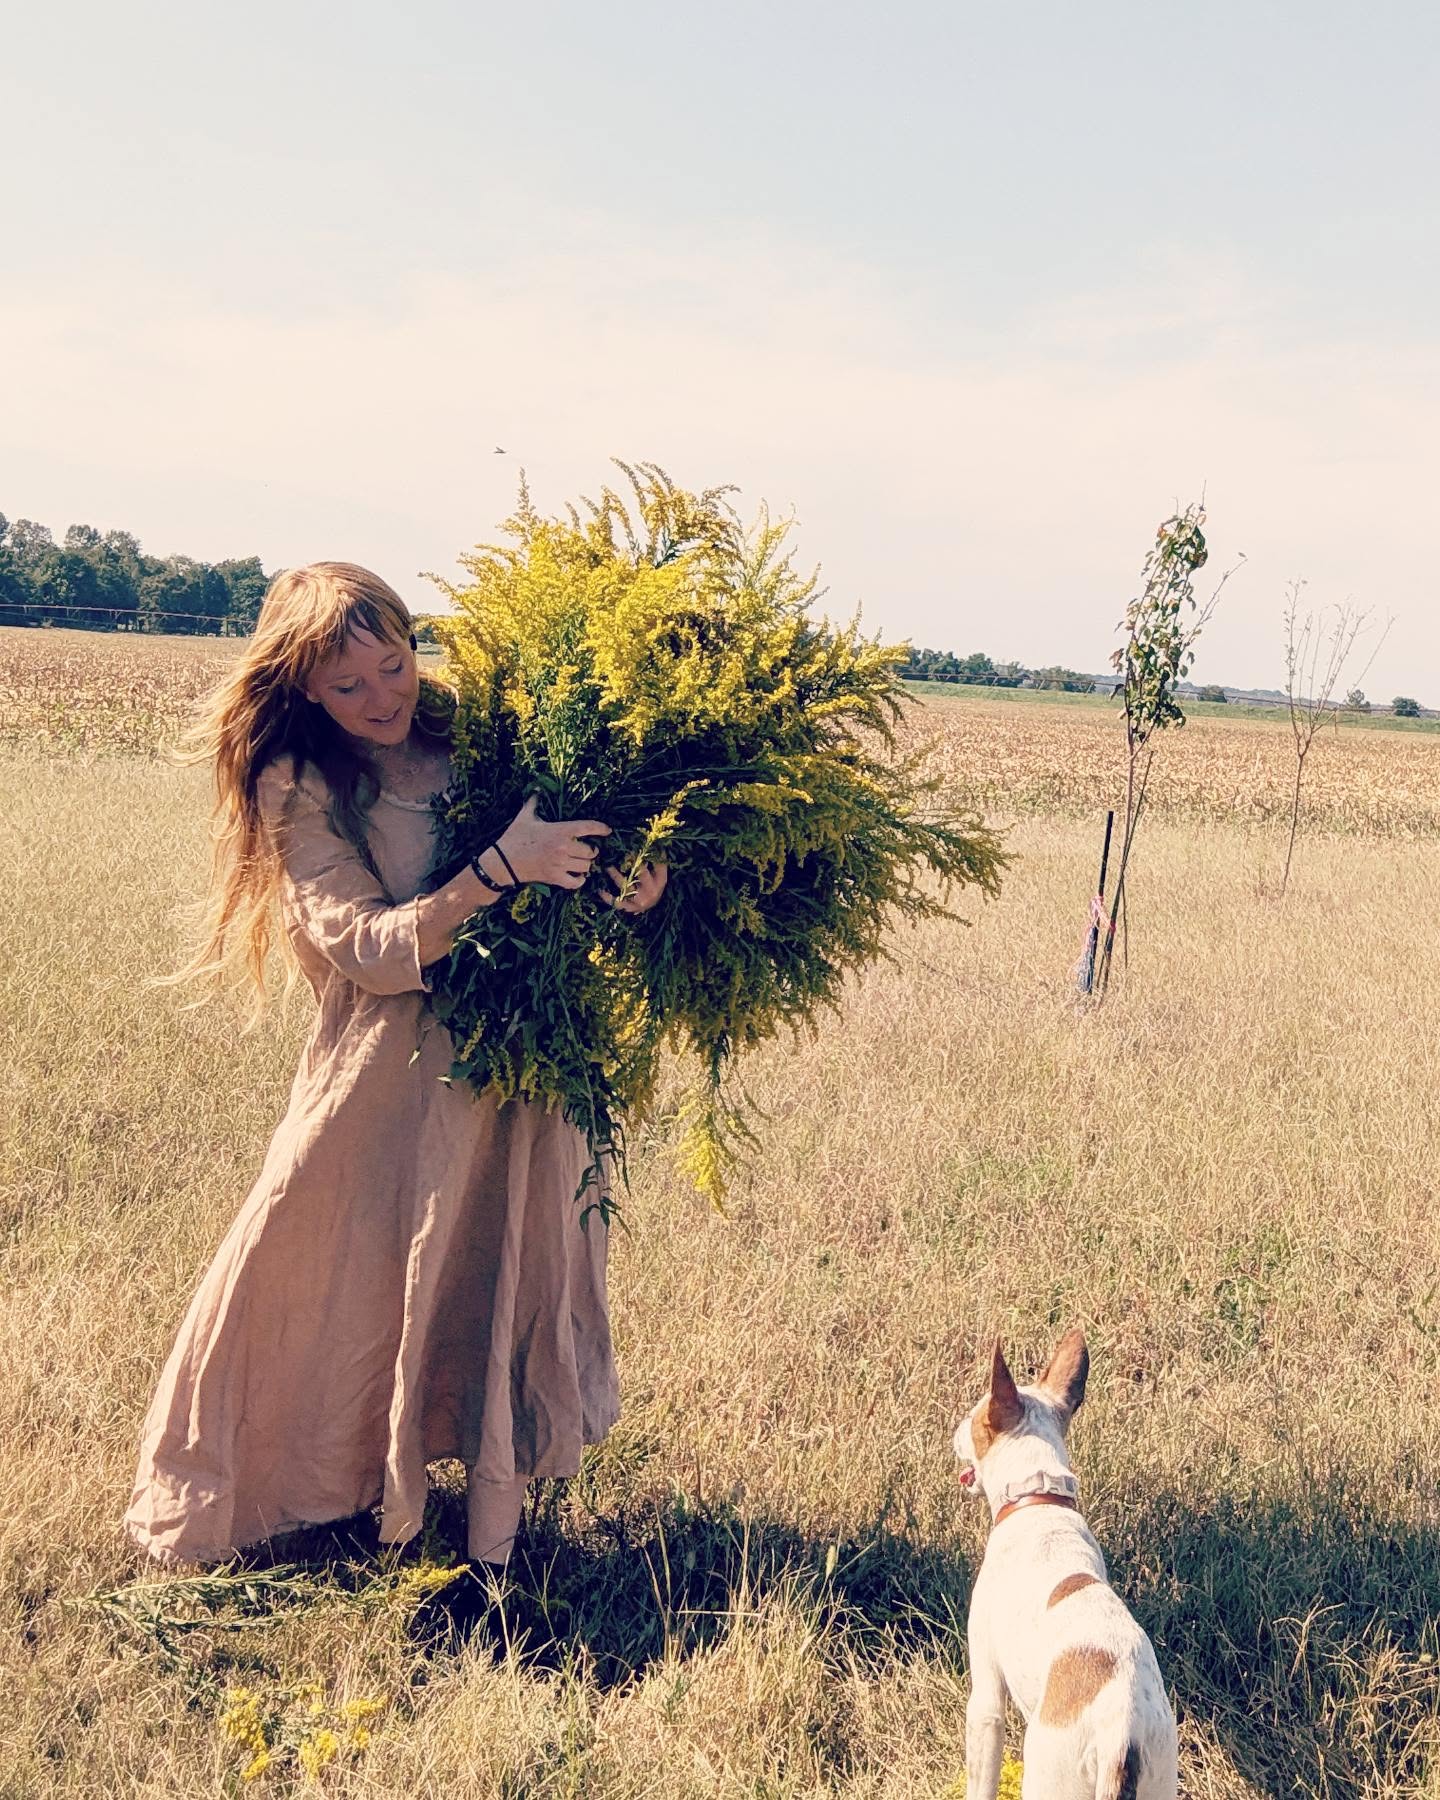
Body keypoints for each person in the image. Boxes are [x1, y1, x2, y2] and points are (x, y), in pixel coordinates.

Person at [124, 562, 666, 1574]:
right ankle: (273, 1498)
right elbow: (368, 949)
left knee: (492, 1272)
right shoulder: (303, 785)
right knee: (318, 1280)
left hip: (515, 1075)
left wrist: (624, 881)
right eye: (350, 685)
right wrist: (501, 867)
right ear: (303, 691)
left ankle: (488, 1545)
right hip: (382, 1085)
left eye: (393, 663)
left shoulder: (483, 733)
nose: (384, 695)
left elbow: (566, 870)